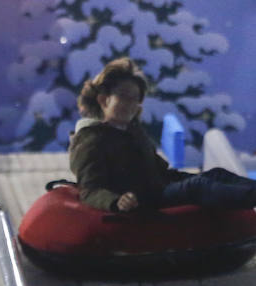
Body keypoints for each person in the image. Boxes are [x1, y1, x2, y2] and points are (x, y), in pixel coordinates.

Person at [70, 58, 256, 214]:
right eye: (124, 97)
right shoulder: (91, 140)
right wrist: (116, 201)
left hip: (158, 187)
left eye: (135, 99)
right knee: (198, 186)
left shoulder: (133, 132)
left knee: (216, 174)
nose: (130, 105)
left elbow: (158, 170)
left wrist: (184, 177)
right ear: (104, 99)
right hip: (141, 200)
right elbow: (90, 189)